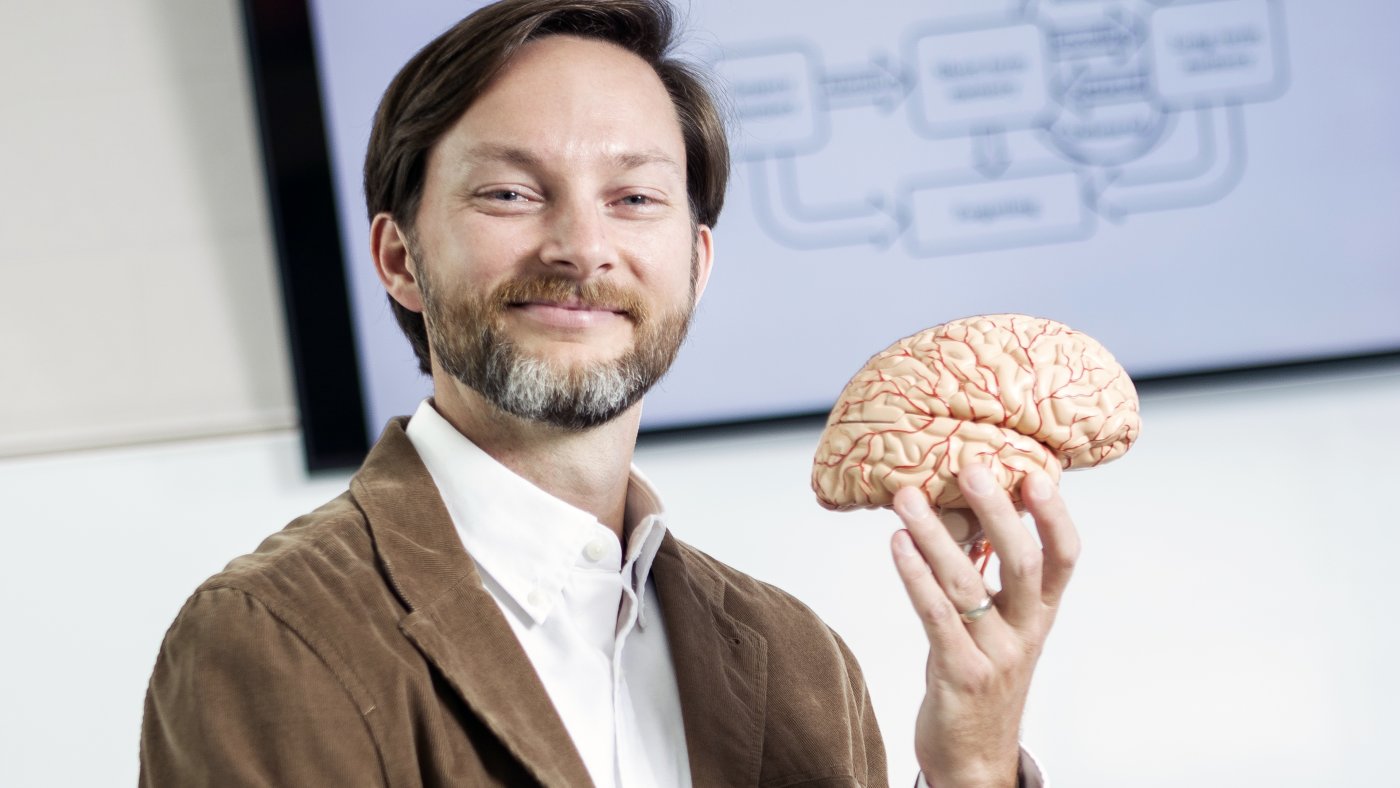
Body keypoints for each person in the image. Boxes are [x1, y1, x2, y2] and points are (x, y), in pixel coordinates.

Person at [139, 1, 1080, 785]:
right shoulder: (272, 640)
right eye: (509, 194)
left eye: (634, 199)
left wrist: (973, 760)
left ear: (696, 264)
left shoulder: (800, 661)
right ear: (400, 261)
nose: (581, 248)